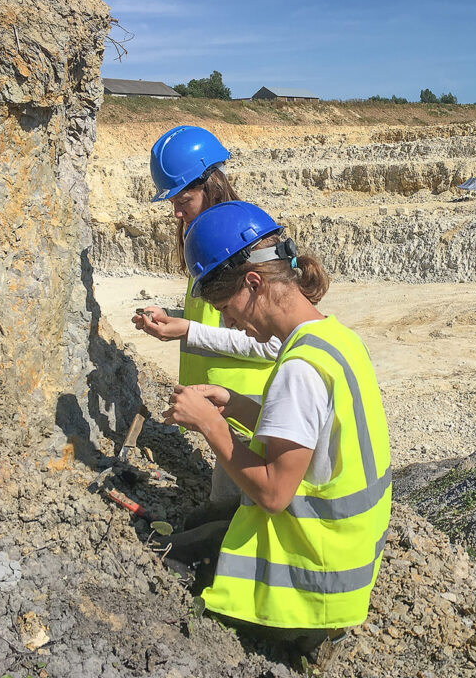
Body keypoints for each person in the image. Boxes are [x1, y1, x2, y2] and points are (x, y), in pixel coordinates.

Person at [161, 201, 392, 654]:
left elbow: (272, 493)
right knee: (198, 532)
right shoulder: (335, 338)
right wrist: (234, 404)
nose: (228, 323)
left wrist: (210, 425)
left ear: (254, 283)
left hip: (309, 588)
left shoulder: (299, 371)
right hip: (345, 563)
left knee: (174, 563)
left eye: (226, 308)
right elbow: (312, 435)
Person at [131, 126, 277, 524]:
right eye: (172, 202)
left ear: (211, 187)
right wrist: (174, 317)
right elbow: (215, 315)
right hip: (223, 402)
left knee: (233, 513)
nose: (176, 212)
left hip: (247, 408)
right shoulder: (210, 240)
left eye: (184, 200)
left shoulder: (243, 242)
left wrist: (187, 332)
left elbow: (271, 344)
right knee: (226, 505)